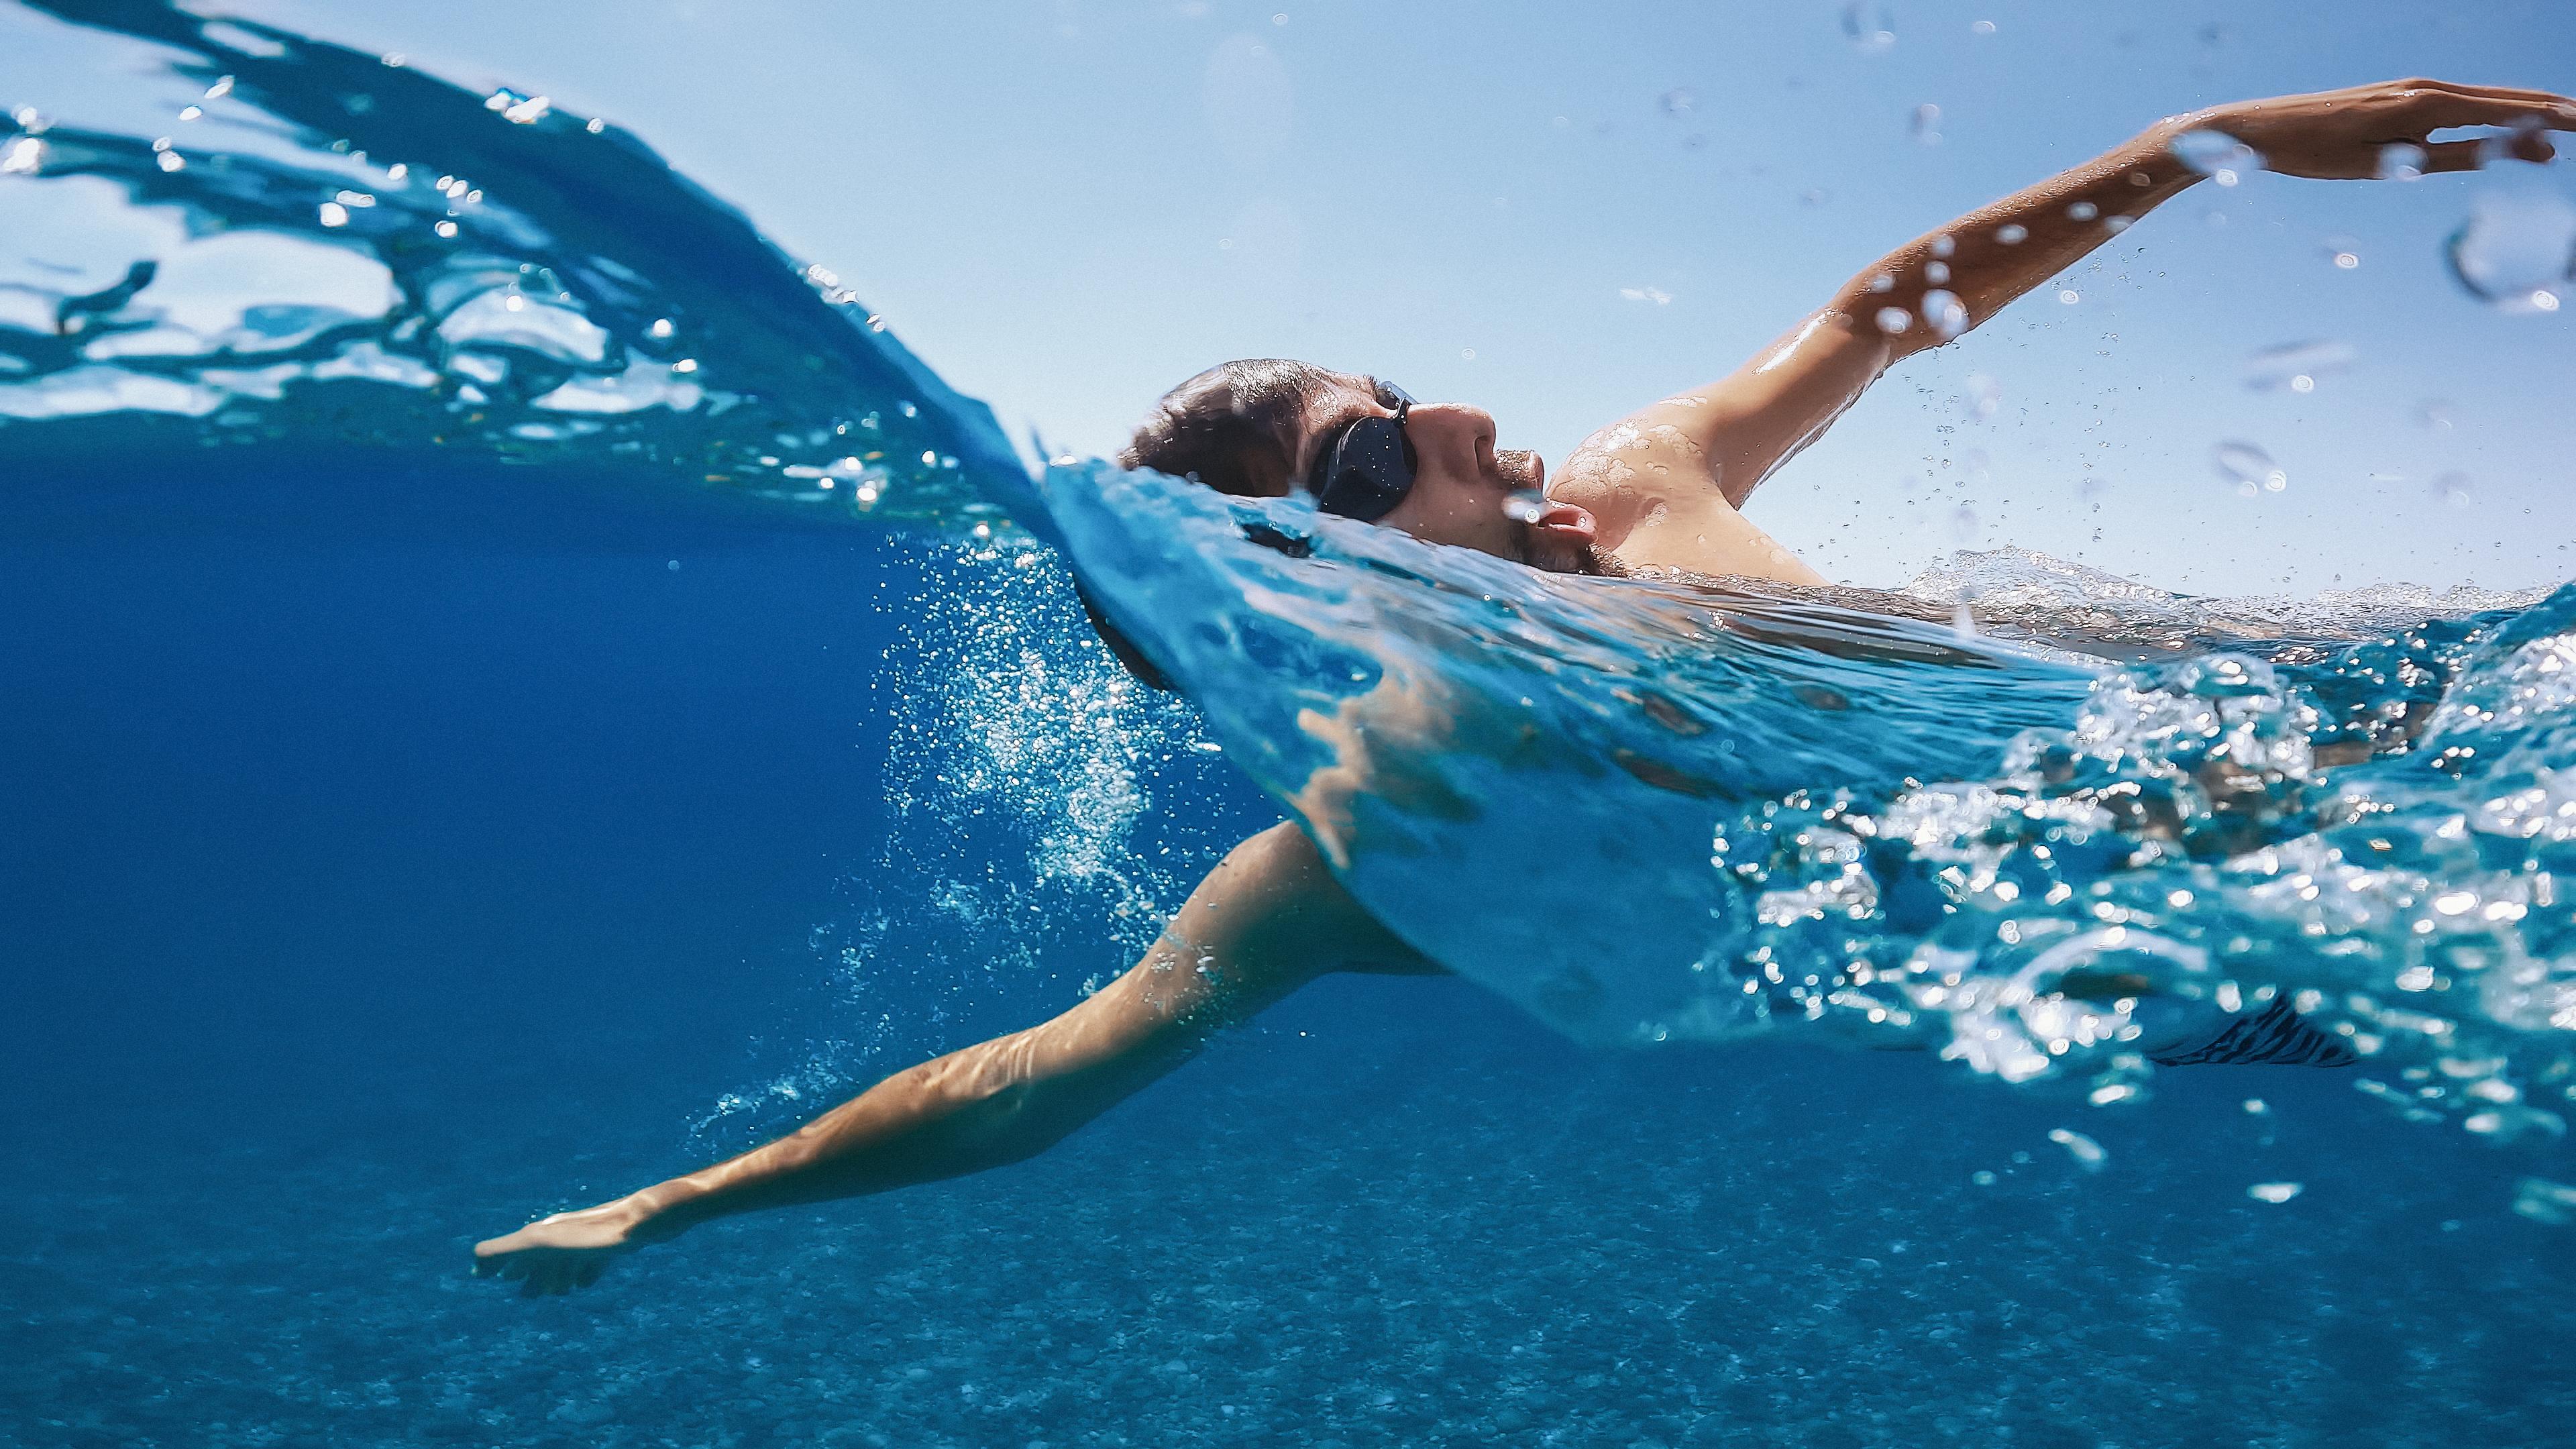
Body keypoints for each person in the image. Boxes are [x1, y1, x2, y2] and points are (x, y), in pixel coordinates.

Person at [475, 79, 2573, 1293]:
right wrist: (678, 1201)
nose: (1465, 418)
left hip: (2361, 720)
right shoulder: (1366, 852)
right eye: (1373, 465)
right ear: (1317, 605)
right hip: (2275, 958)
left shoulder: (1651, 491)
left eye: (1393, 399)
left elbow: (1880, 308)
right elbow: (1034, 1080)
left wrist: (2204, 143)